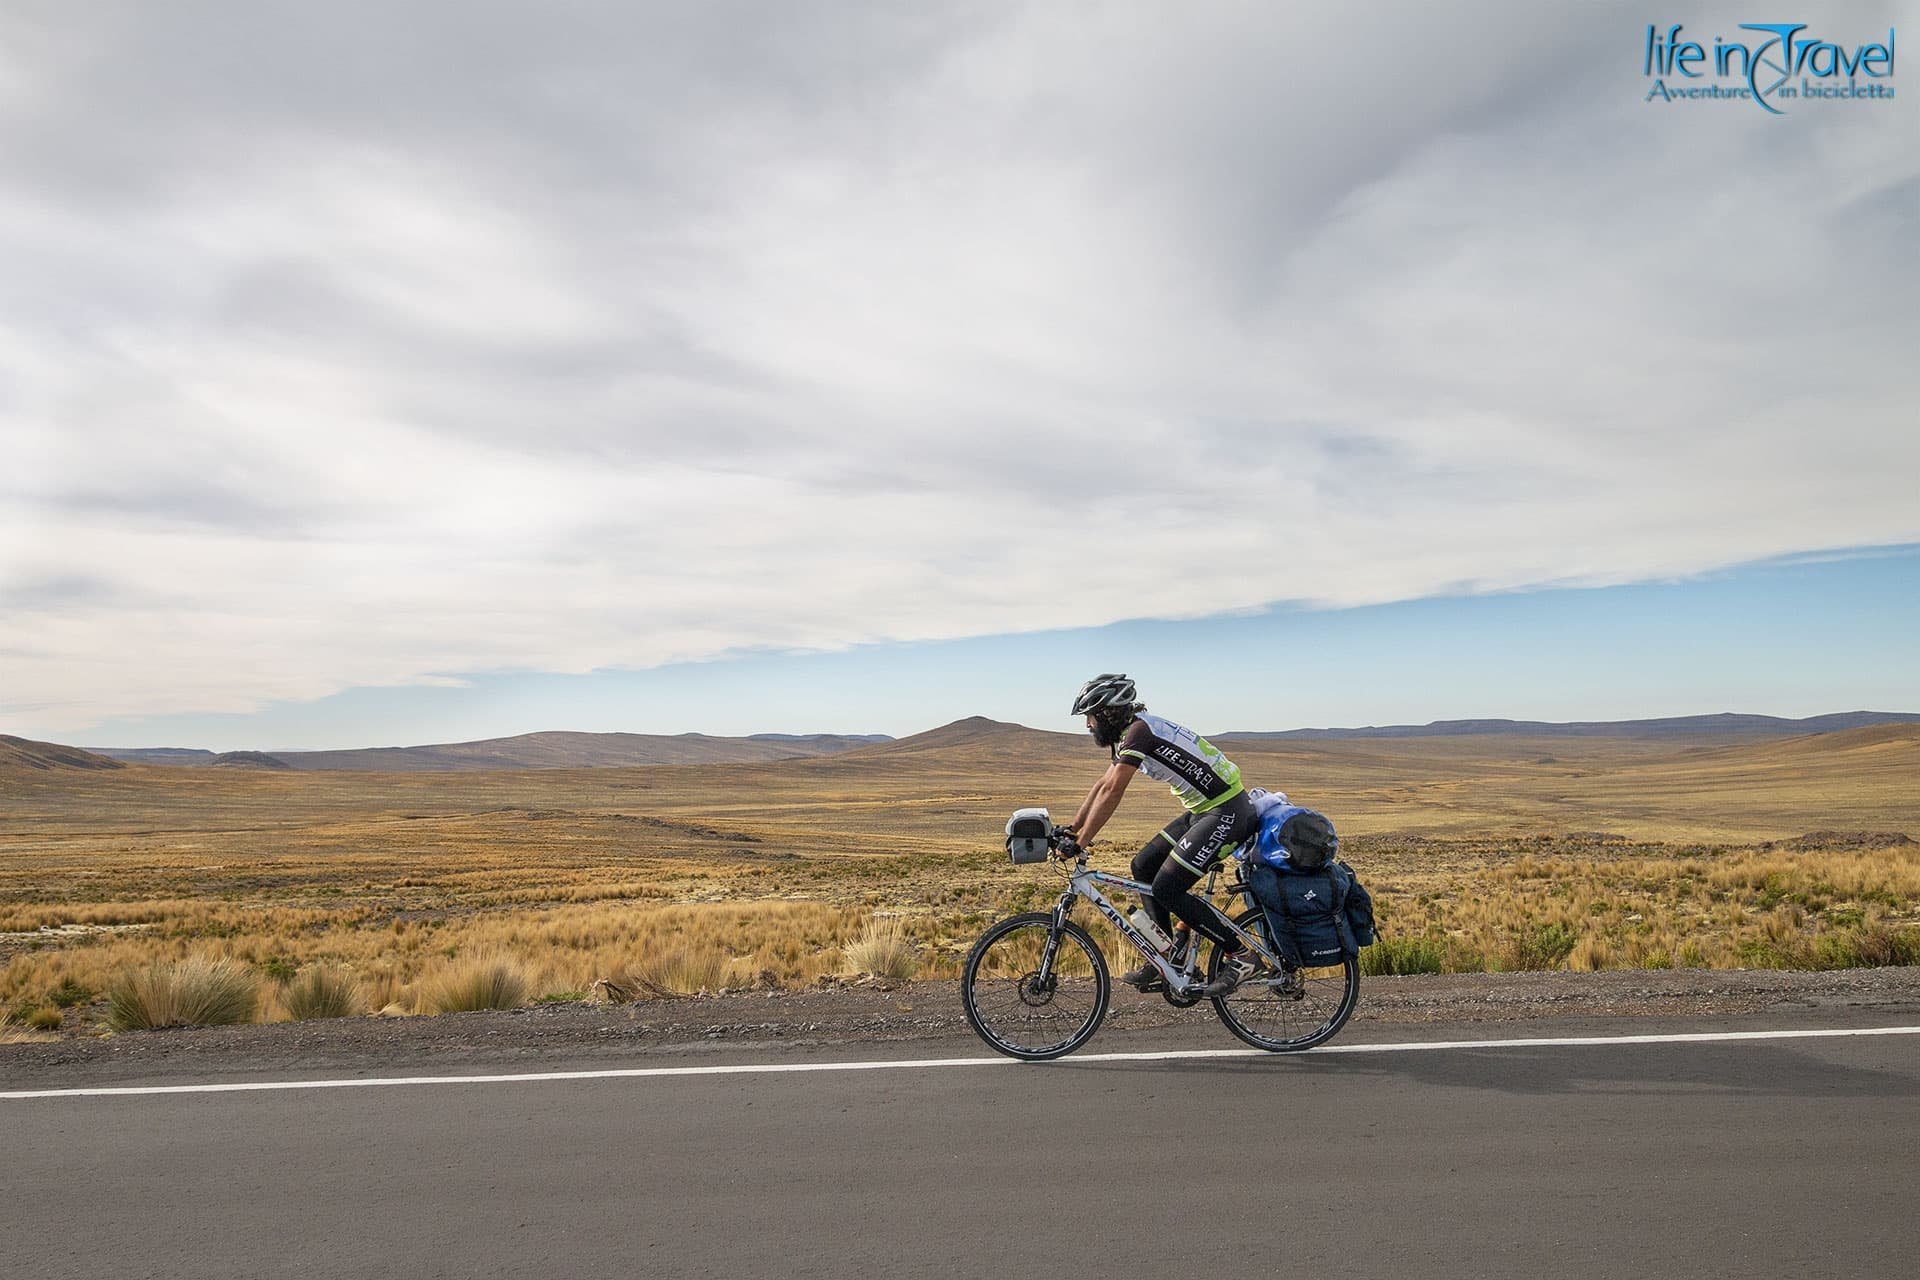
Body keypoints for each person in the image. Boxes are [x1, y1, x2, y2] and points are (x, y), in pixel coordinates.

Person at [1057, 673, 1260, 996]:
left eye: (1091, 717)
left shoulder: (1139, 733)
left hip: (1228, 810)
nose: (1088, 726)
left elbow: (1113, 791)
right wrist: (1073, 828)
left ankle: (1242, 955)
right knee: (1143, 867)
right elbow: (1101, 784)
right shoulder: (1133, 732)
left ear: (1108, 713)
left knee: (1167, 888)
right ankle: (1166, 955)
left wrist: (1080, 843)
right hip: (1204, 810)